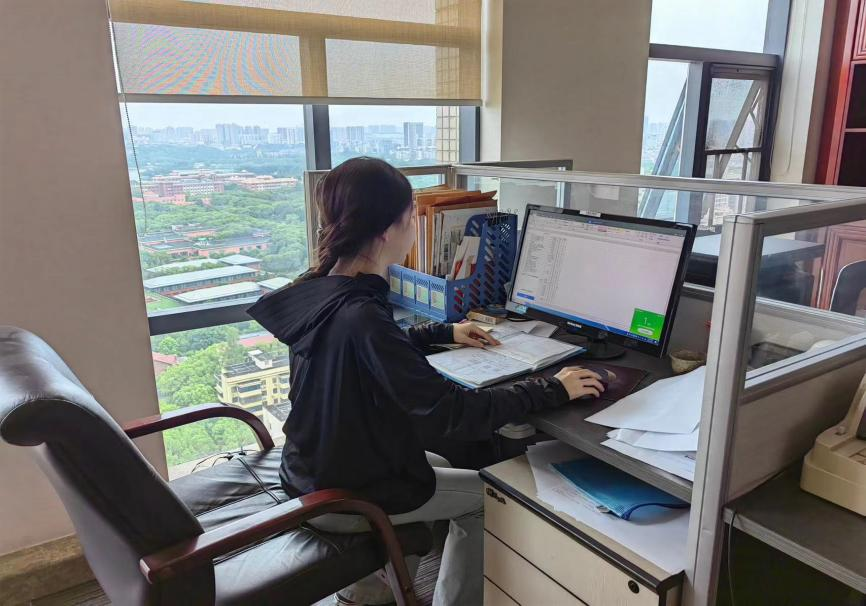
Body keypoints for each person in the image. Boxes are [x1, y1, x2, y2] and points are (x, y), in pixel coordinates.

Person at [247, 157, 608, 606]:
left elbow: (366, 350)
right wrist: (553, 387)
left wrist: (443, 332)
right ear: (389, 230)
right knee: (487, 498)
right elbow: (453, 413)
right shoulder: (361, 314)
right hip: (345, 493)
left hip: (311, 469)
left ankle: (372, 591)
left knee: (434, 458)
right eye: (410, 218)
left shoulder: (323, 286)